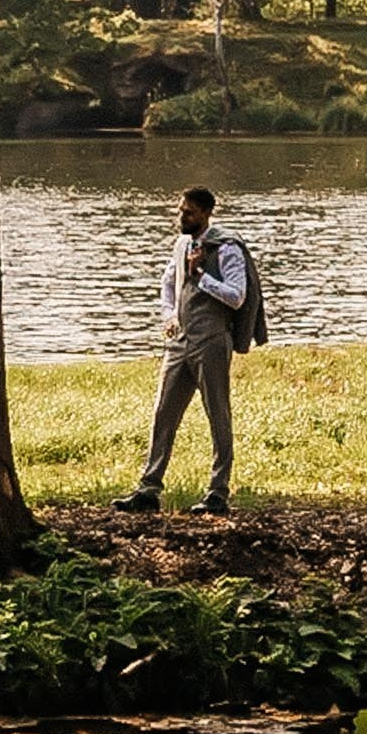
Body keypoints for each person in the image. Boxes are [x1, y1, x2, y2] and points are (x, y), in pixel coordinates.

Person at [111, 184, 247, 517]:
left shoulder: (227, 248)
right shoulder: (180, 244)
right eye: (180, 210)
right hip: (179, 342)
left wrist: (201, 274)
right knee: (163, 413)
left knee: (218, 413)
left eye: (188, 212)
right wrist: (169, 315)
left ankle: (218, 493)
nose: (180, 217)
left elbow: (237, 296)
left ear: (206, 213)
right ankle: (148, 489)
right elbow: (168, 282)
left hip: (212, 340)